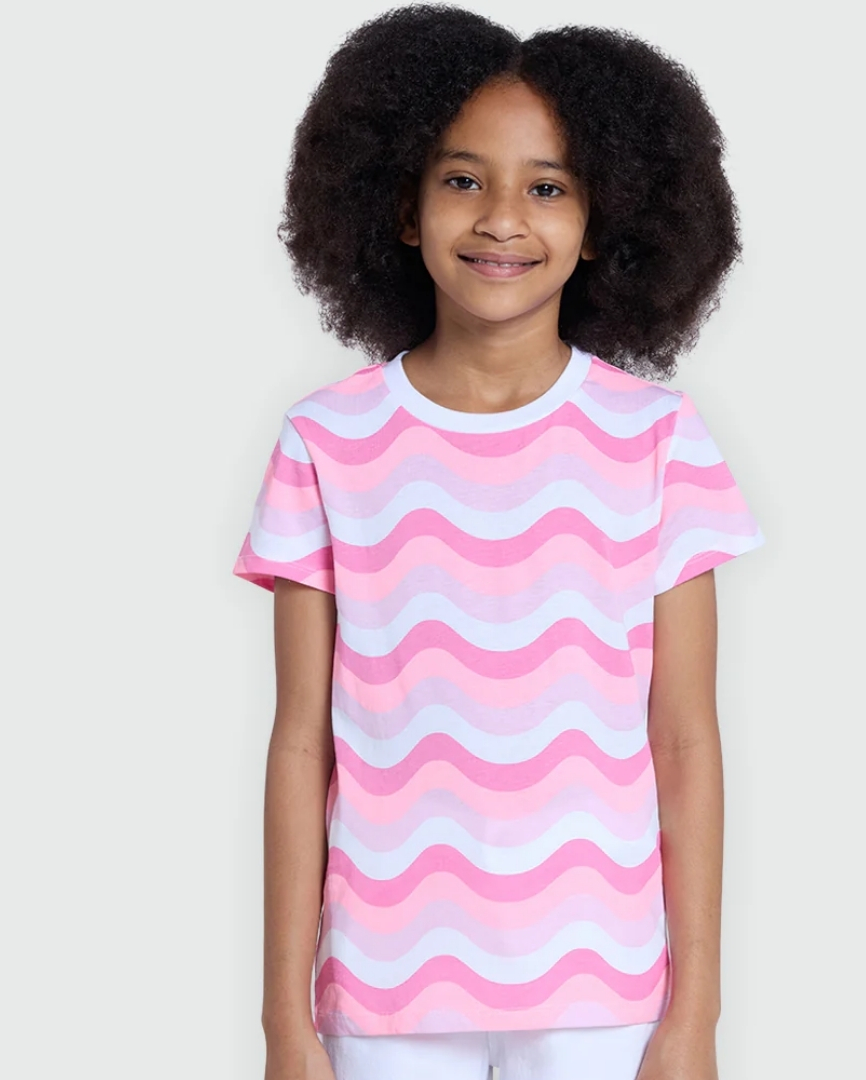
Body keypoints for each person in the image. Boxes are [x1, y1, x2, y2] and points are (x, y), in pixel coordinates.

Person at [232, 6, 766, 1079]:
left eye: (549, 187)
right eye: (463, 179)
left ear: (604, 219)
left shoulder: (657, 440)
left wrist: (697, 1014)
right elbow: (301, 747)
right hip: (382, 997)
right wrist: (285, 1021)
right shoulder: (328, 442)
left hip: (603, 996)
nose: (502, 219)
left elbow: (684, 743)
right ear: (402, 206)